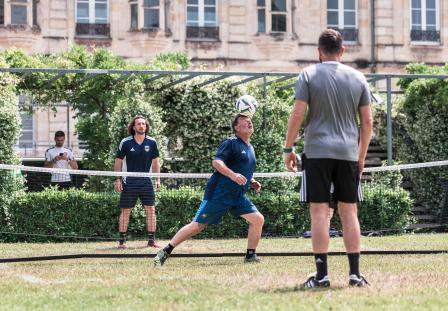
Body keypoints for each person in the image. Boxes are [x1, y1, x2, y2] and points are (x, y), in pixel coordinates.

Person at [283, 29, 373, 288]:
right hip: (348, 154)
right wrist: (361, 156)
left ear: (319, 52)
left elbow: (298, 114)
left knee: (319, 213)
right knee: (349, 211)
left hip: (317, 152)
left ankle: (321, 276)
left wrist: (288, 149)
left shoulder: (308, 74)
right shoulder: (358, 77)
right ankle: (355, 275)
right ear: (342, 50)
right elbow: (367, 121)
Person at [154, 114, 264, 266]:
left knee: (258, 219)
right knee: (197, 226)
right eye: (244, 121)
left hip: (238, 196)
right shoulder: (231, 142)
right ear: (236, 128)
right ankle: (165, 251)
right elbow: (217, 162)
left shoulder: (250, 148)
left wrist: (251, 181)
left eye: (250, 121)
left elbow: (242, 169)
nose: (249, 122)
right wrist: (232, 175)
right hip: (220, 193)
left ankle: (250, 255)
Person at [114, 116, 161, 248]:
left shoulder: (152, 142)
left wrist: (158, 179)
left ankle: (151, 241)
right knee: (126, 211)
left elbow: (156, 162)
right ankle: (122, 242)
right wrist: (117, 179)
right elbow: (118, 161)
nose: (141, 126)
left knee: (151, 210)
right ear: (133, 127)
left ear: (146, 127)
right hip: (129, 182)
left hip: (146, 182)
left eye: (143, 124)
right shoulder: (126, 142)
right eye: (138, 124)